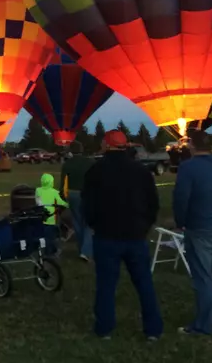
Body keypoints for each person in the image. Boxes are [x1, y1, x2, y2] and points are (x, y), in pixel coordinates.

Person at [82, 129, 163, 340]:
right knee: (144, 283)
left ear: (106, 145)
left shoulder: (95, 171)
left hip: (106, 236)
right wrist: (144, 226)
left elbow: (87, 206)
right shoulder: (142, 171)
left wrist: (94, 225)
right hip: (136, 236)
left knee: (106, 285)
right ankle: (153, 330)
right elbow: (153, 204)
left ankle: (104, 329)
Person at [173, 129, 212, 335]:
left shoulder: (188, 168)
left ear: (191, 145)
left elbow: (182, 197)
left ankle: (204, 325)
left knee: (204, 277)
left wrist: (181, 222)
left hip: (200, 229)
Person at [59, 142, 95, 260]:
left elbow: (63, 182)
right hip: (87, 193)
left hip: (72, 193)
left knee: (77, 221)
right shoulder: (90, 162)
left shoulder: (67, 164)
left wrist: (62, 196)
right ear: (82, 149)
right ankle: (85, 251)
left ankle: (82, 249)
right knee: (89, 223)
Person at [35, 172, 67, 255]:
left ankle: (46, 248)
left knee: (44, 233)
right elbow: (60, 202)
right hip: (51, 217)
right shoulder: (54, 192)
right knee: (50, 236)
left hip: (41, 216)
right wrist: (67, 204)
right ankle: (49, 251)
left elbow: (38, 201)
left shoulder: (38, 190)